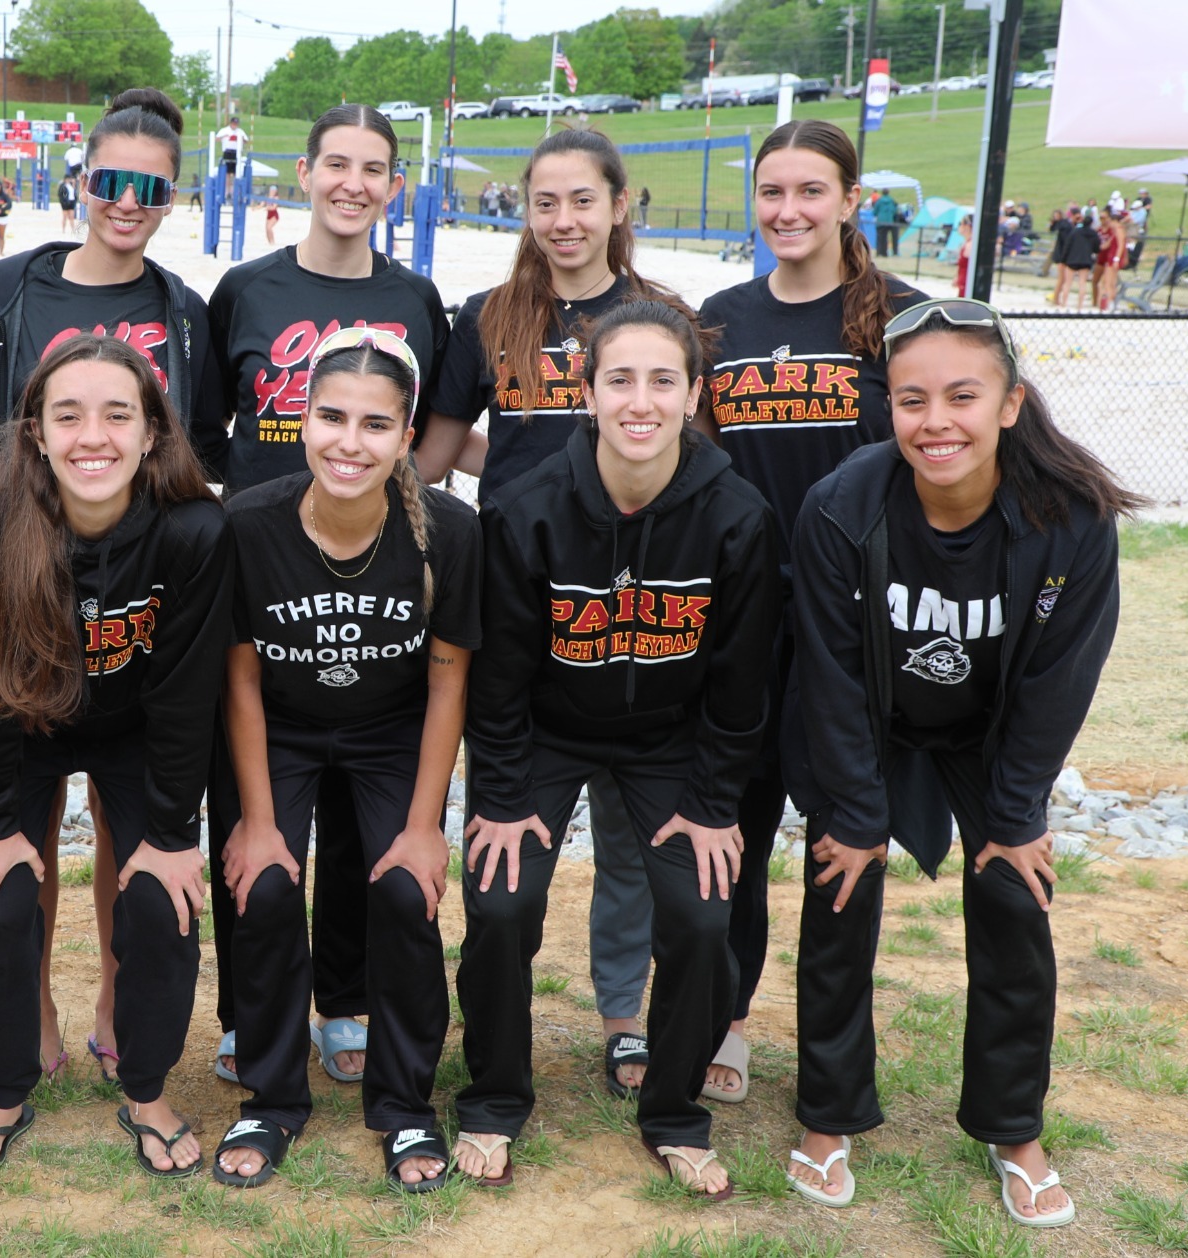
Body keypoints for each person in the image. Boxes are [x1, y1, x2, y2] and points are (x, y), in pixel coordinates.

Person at [781, 297, 1142, 1225]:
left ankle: (1014, 1128)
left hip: (989, 736)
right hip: (874, 721)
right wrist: (857, 817)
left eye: (961, 396)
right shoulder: (842, 508)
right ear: (888, 408)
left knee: (1017, 895)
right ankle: (827, 1116)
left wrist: (1015, 814)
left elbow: (1059, 683)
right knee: (840, 881)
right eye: (911, 400)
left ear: (1010, 404)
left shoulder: (1072, 519)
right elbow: (826, 672)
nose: (935, 421)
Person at [452, 298, 778, 1193]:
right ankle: (493, 1097)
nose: (642, 400)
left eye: (663, 381)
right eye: (620, 379)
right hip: (548, 736)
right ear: (586, 392)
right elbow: (501, 682)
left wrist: (713, 807)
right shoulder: (525, 511)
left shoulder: (738, 516)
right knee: (502, 899)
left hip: (669, 742)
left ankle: (674, 1111)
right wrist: (506, 798)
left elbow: (740, 686)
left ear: (693, 392)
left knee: (705, 916)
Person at [418, 126, 700, 1107]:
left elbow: (683, 453)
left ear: (618, 205)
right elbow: (436, 449)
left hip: (630, 600)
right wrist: (514, 482)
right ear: (524, 211)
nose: (563, 220)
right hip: (514, 597)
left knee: (629, 831)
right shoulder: (490, 316)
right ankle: (498, 1030)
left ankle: (622, 1014)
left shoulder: (661, 316)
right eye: (544, 202)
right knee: (507, 824)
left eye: (582, 200)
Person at [0, 87, 223, 1087]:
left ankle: (121, 991)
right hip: (29, 567)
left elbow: (211, 445)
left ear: (171, 196)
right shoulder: (5, 296)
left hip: (134, 581)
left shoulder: (182, 312)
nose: (127, 201)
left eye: (150, 188)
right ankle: (30, 1007)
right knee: (22, 824)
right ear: (78, 179)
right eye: (110, 180)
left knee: (131, 818)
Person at [0, 334, 233, 1181]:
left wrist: (173, 833)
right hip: (24, 726)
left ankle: (145, 1089)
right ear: (35, 432)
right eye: (68, 415)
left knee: (162, 900)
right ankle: (3, 1090)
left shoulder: (193, 529)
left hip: (139, 728)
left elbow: (186, 702)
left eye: (118, 414)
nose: (92, 436)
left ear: (153, 433)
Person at [205, 102, 449, 1087]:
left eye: (373, 168)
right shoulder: (244, 290)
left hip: (372, 552)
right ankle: (247, 1010)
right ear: (300, 172)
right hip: (266, 553)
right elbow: (204, 420)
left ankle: (344, 999)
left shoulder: (416, 297)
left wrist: (405, 511)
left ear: (395, 186)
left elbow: (432, 428)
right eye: (335, 162)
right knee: (255, 796)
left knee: (358, 811)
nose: (352, 182)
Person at [696, 118, 929, 1111]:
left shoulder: (904, 318)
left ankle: (832, 1064)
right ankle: (726, 1020)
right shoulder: (718, 316)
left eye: (808, 191)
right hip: (745, 620)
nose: (786, 211)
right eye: (770, 192)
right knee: (729, 837)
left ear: (847, 199)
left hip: (853, 627)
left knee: (842, 839)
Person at [214, 328, 476, 1192]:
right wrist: (257, 822)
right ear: (300, 417)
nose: (348, 442)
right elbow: (241, 677)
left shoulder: (446, 531)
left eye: (374, 425)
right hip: (281, 727)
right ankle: (270, 1096)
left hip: (390, 730)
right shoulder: (251, 521)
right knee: (266, 884)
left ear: (407, 437)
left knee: (404, 889)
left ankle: (405, 1108)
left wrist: (424, 827)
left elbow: (447, 682)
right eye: (331, 417)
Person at [874, 189, 899, 258]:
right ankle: (893, 253)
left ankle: (881, 253)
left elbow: (874, 212)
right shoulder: (891, 200)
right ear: (888, 193)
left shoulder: (879, 201)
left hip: (880, 222)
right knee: (890, 237)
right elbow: (894, 210)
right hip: (890, 221)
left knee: (881, 238)